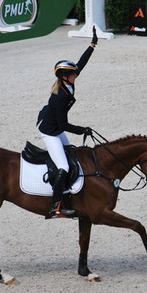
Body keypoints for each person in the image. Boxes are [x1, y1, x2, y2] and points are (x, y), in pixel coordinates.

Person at [36, 28, 98, 218]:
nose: (76, 75)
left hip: (55, 125)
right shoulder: (60, 97)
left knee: (71, 153)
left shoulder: (67, 81)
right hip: (50, 131)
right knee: (63, 165)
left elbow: (81, 64)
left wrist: (92, 45)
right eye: (73, 74)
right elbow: (63, 125)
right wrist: (83, 130)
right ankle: (56, 206)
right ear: (65, 76)